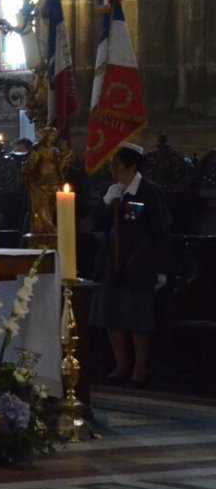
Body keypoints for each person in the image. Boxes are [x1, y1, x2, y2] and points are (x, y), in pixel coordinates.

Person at [90, 143, 171, 388]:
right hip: (111, 263)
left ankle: (140, 369)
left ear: (131, 165)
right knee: (112, 314)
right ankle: (120, 365)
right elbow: (97, 223)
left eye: (116, 164)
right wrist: (106, 202)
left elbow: (161, 229)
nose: (112, 169)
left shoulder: (148, 191)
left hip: (138, 263)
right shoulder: (115, 190)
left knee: (137, 317)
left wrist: (161, 268)